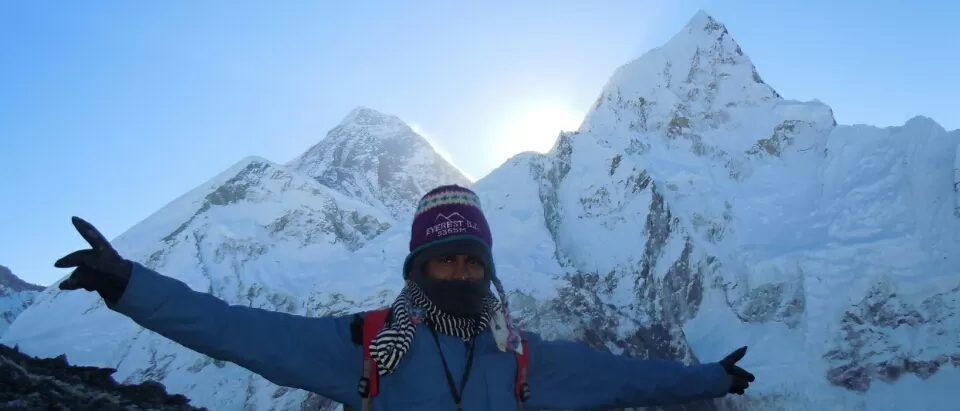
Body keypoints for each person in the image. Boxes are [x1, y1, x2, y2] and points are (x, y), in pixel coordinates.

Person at [55, 184, 755, 411]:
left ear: (486, 269)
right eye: (441, 260)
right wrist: (130, 286)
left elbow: (629, 377)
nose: (457, 273)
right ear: (416, 269)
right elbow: (239, 331)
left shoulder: (524, 361)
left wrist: (712, 378)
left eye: (468, 260)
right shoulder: (368, 351)